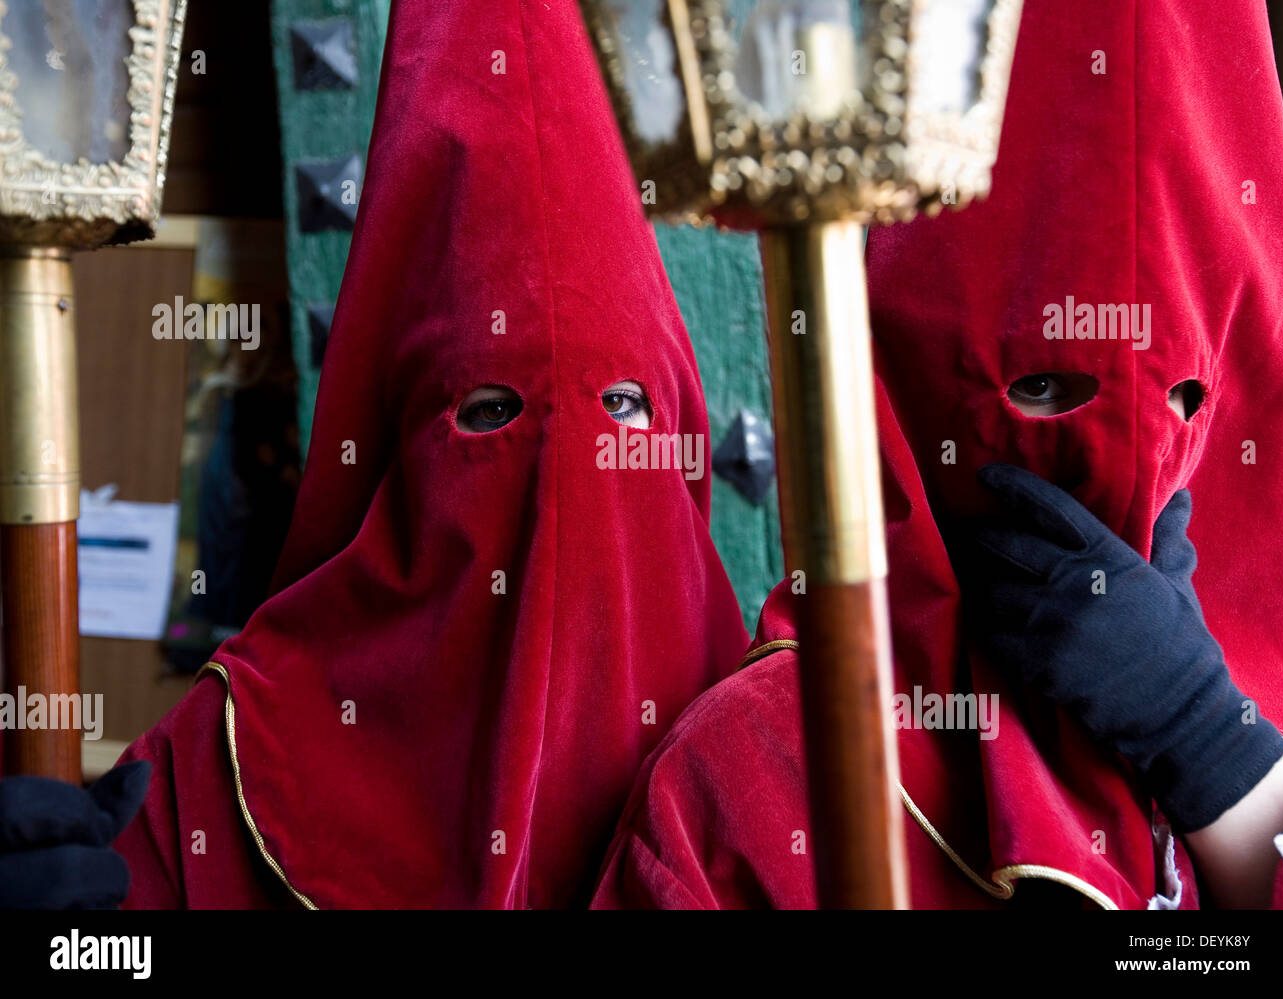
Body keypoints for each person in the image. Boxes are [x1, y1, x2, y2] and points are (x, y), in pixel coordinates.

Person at [0, 0, 749, 909]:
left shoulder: (771, 760)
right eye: (491, 411)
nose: (565, 470)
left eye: (621, 407)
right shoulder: (219, 772)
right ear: (398, 449)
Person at [591, 0, 1283, 910]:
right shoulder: (755, 774)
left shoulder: (1264, 699)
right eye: (1042, 389)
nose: (1118, 457)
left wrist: (1224, 766)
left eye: (1181, 399)